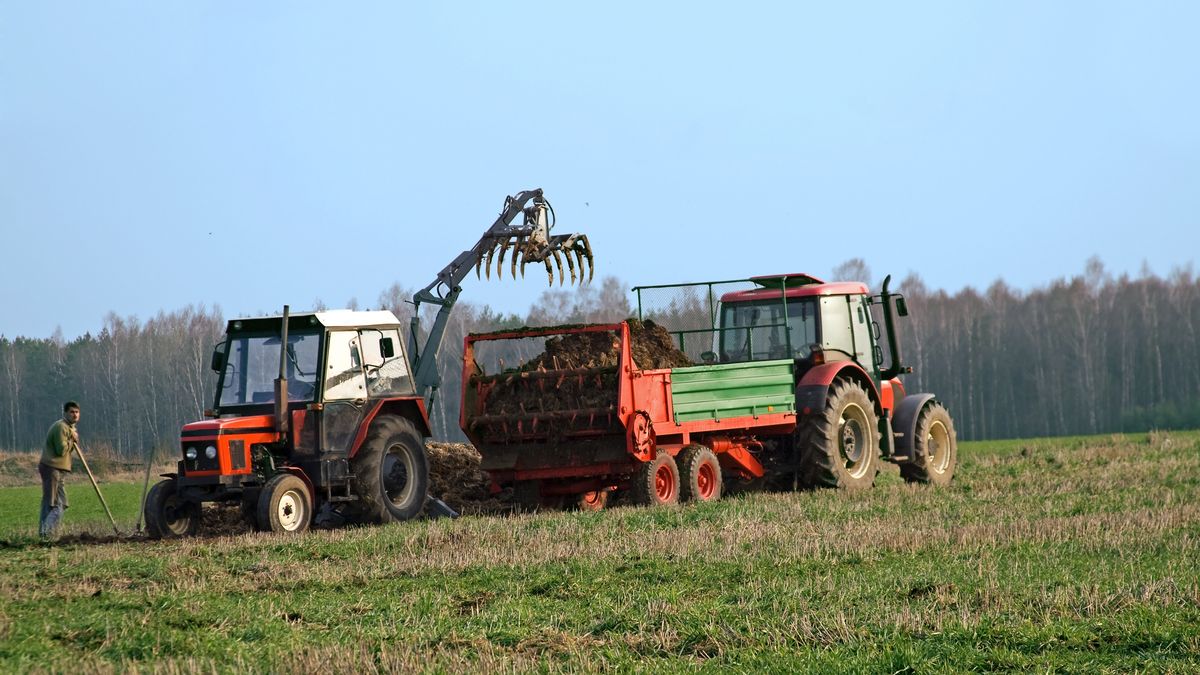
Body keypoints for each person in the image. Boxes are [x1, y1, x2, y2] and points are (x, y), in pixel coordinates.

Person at [39, 401, 80, 540]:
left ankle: (45, 533)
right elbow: (61, 450)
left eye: (77, 412)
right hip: (52, 468)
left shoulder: (69, 428)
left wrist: (72, 438)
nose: (75, 415)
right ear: (65, 413)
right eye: (72, 412)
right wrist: (71, 440)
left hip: (59, 470)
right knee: (55, 504)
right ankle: (46, 533)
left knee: (59, 503)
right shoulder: (61, 427)